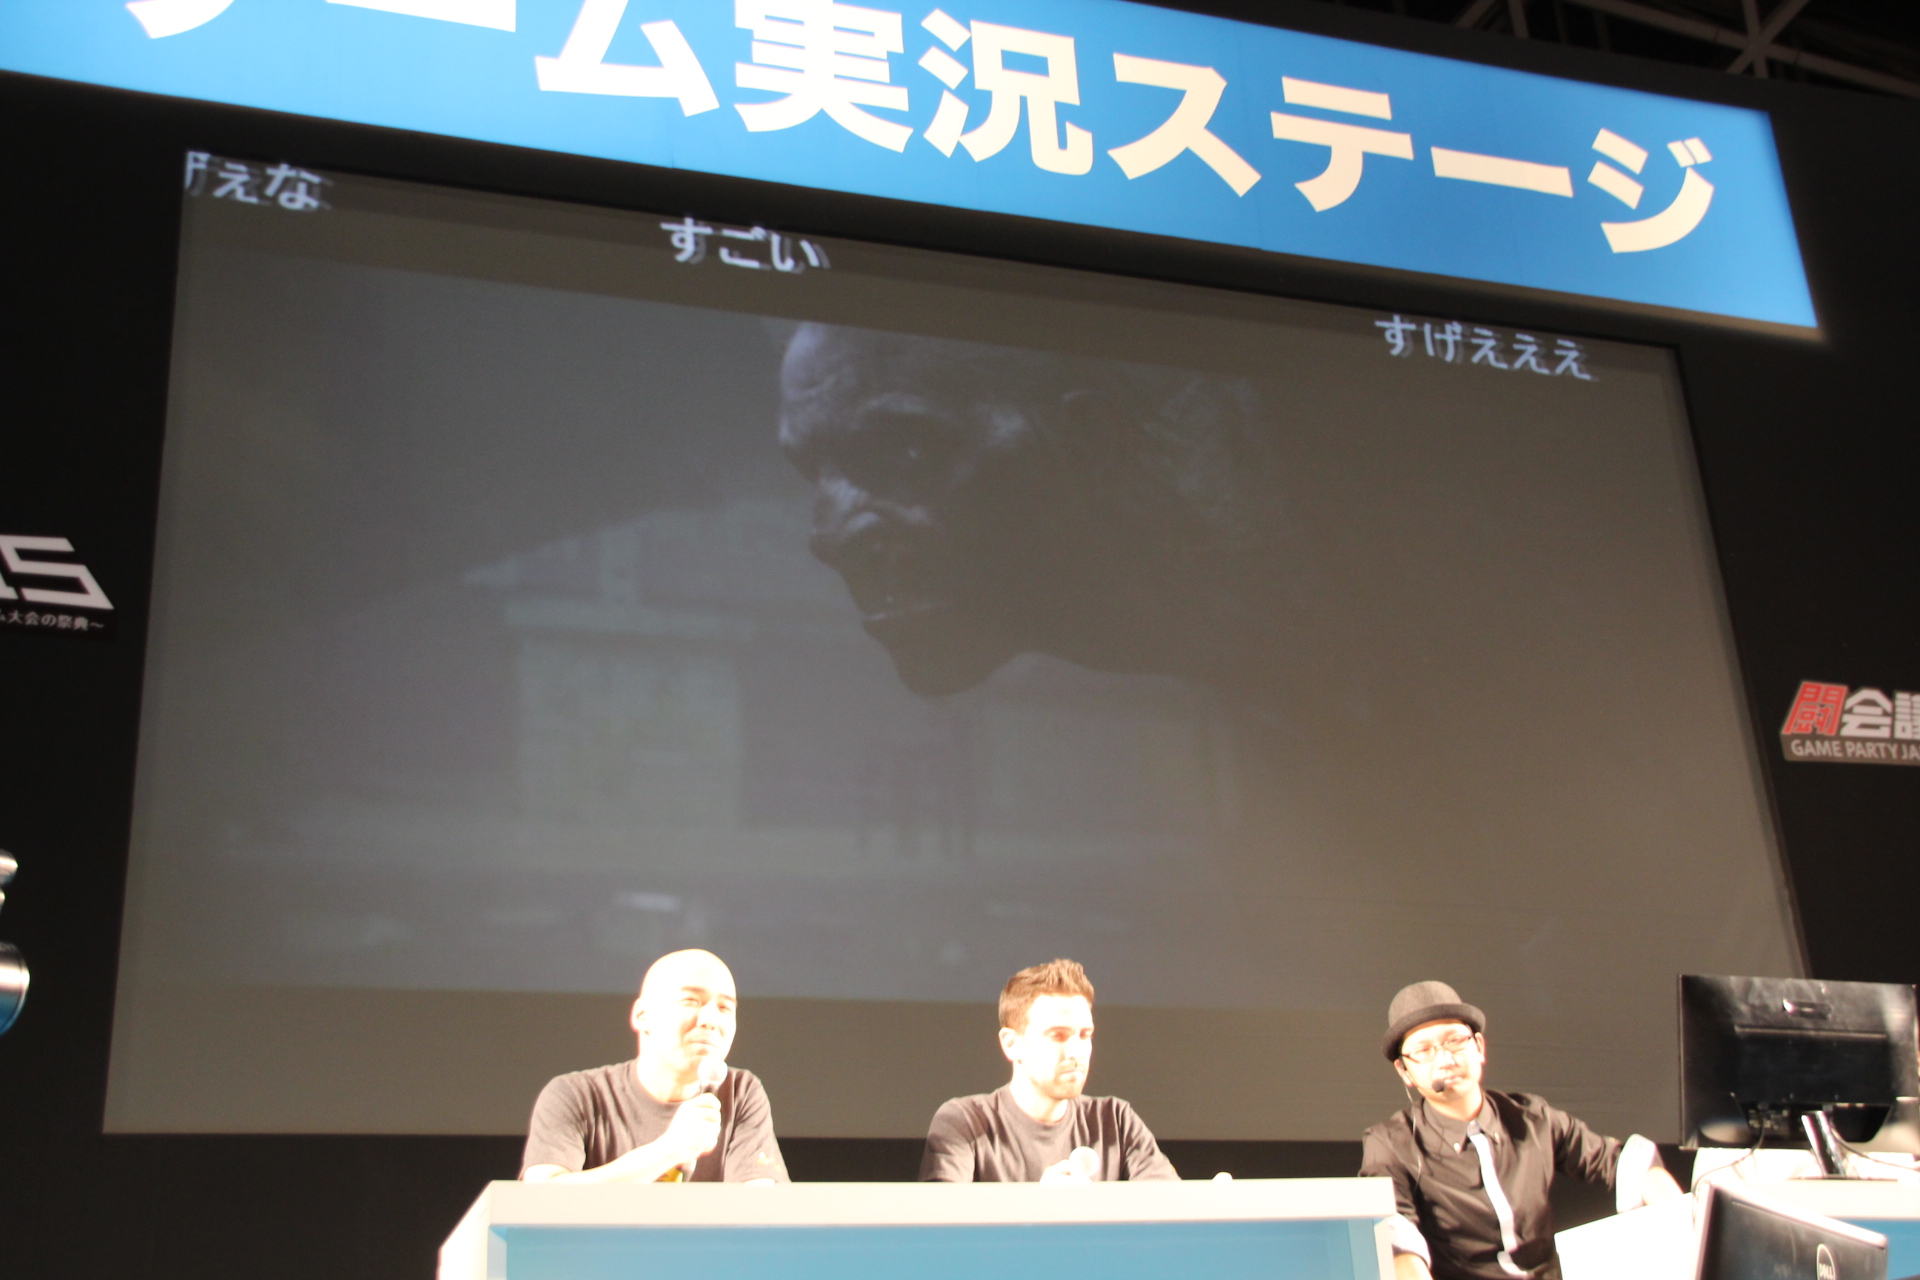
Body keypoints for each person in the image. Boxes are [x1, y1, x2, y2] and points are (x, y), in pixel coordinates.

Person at [1360, 981, 1682, 1280]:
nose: (1445, 1058)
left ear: (1479, 1046)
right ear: (1404, 1070)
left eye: (1455, 1040)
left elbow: (1621, 1162)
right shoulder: (1390, 1144)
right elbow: (1394, 1234)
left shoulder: (1532, 1117)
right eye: (1423, 1050)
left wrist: (1683, 1225)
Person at [520, 948, 787, 1183]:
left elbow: (759, 1207)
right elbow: (542, 1198)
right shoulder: (576, 1095)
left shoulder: (740, 1093)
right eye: (691, 1001)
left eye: (725, 1008)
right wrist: (668, 1150)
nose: (710, 1020)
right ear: (642, 1015)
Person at [919, 958, 1178, 1182]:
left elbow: (1174, 1208)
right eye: (1058, 1036)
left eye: (1085, 1035)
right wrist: (1042, 1205)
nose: (1076, 1051)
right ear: (1012, 1044)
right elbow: (942, 1217)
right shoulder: (965, 1122)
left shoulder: (1115, 1121)